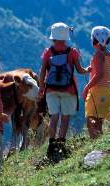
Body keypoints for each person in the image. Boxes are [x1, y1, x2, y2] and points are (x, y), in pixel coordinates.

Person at [38, 22, 90, 160]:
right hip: (69, 89)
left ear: (53, 37)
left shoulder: (47, 52)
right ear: (66, 36)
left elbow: (42, 72)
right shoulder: (72, 52)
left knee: (54, 117)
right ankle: (61, 144)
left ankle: (51, 144)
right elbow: (79, 70)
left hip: (51, 90)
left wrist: (41, 88)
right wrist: (88, 69)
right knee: (65, 118)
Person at [83, 26, 110, 139]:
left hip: (96, 92)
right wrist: (94, 67)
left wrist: (86, 88)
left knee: (90, 121)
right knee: (99, 124)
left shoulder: (98, 54)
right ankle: (99, 147)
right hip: (107, 92)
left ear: (95, 40)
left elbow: (99, 75)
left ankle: (95, 149)